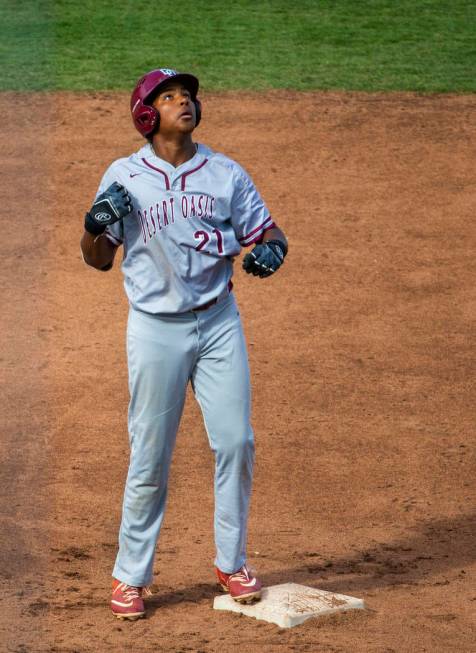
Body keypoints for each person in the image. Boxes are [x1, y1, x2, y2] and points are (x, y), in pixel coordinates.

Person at [80, 68, 288, 621]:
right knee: (150, 453)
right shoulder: (124, 177)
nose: (184, 103)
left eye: (188, 96)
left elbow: (268, 231)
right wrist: (95, 227)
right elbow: (98, 258)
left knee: (237, 442)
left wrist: (272, 249)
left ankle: (232, 561)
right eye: (169, 97)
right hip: (155, 331)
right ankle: (130, 576)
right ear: (147, 114)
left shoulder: (223, 172)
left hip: (219, 323)